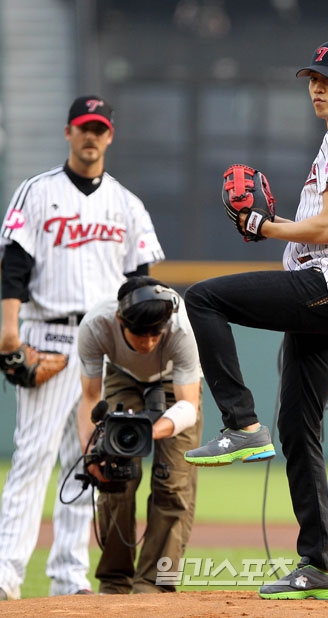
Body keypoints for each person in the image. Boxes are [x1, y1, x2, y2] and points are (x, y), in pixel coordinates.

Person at [183, 39, 328, 600]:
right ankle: (321, 565)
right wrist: (273, 225)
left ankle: (241, 424)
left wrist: (264, 226)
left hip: (326, 285)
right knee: (300, 429)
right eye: (312, 77)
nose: (317, 86)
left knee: (202, 298)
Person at [0, 95, 165, 600]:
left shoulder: (127, 204)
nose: (91, 136)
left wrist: (141, 355)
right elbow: (13, 267)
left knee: (88, 460)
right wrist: (8, 335)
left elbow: (143, 288)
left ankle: (68, 578)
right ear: (68, 132)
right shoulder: (37, 192)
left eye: (99, 128)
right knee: (34, 456)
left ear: (109, 135)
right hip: (46, 333)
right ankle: (6, 574)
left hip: (104, 343)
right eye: (83, 127)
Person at [77, 275, 203, 594]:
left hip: (176, 384)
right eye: (139, 333)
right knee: (114, 474)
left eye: (154, 334)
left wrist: (149, 430)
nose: (147, 342)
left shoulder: (181, 328)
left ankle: (154, 584)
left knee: (173, 481)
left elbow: (189, 405)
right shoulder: (95, 325)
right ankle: (115, 580)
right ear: (120, 320)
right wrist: (91, 453)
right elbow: (90, 398)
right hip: (123, 376)